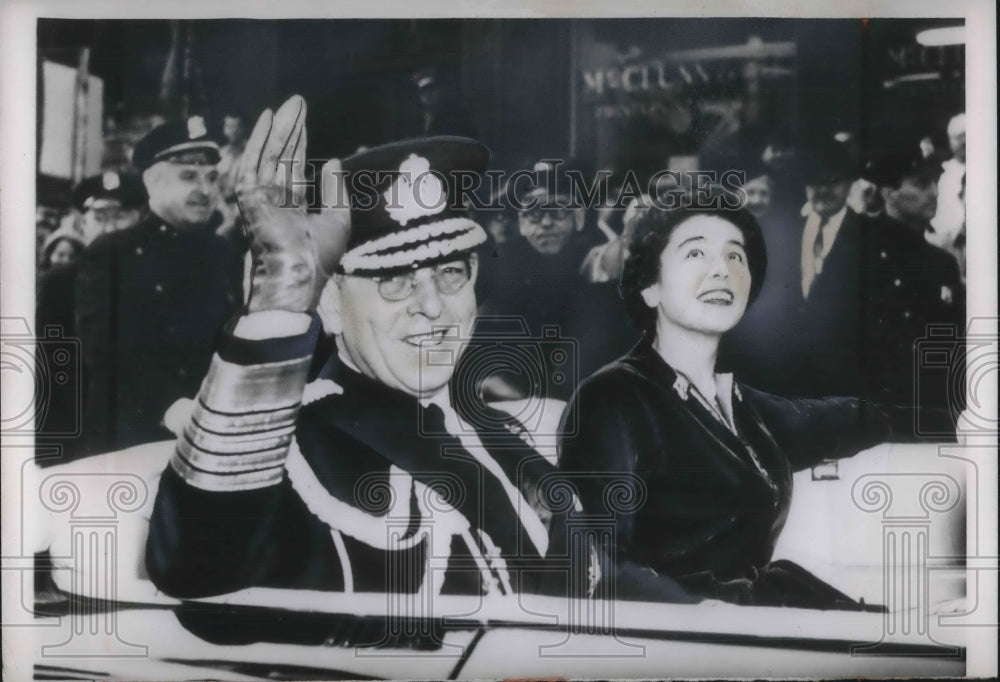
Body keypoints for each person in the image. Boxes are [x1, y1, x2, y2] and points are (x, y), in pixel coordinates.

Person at [146, 97, 568, 613]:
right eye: (393, 281)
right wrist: (282, 293)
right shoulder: (301, 447)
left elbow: (590, 583)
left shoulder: (486, 427)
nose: (432, 306)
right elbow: (194, 568)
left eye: (451, 273)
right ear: (331, 305)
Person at [556, 202, 956, 608]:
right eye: (696, 252)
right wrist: (711, 616)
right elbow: (596, 566)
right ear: (650, 286)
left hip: (758, 619)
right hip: (687, 639)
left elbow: (852, 419)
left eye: (735, 255)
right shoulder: (611, 399)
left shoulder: (739, 407)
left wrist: (968, 423)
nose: (721, 270)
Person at [74, 115, 242, 455]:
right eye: (188, 176)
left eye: (211, 178)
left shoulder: (222, 253)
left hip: (211, 440)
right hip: (130, 441)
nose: (205, 190)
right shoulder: (112, 252)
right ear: (153, 183)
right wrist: (171, 407)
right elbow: (103, 350)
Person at [858, 146, 966, 412]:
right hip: (875, 406)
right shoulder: (862, 253)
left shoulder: (942, 263)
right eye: (920, 184)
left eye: (934, 183)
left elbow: (954, 346)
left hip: (931, 405)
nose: (933, 193)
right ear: (888, 193)